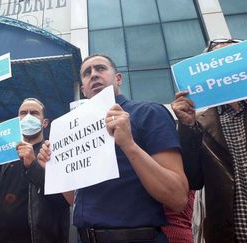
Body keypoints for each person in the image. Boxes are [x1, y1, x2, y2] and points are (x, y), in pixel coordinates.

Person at [38, 54, 189, 243]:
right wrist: (53, 168)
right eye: (87, 73)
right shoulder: (73, 130)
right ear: (83, 89)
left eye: (100, 68)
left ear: (118, 78)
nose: (93, 75)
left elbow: (178, 198)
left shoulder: (149, 113)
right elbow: (76, 202)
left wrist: (129, 145)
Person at [0, 80, 70, 243]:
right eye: (23, 113)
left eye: (34, 113)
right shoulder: (8, 154)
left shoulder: (52, 151)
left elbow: (62, 202)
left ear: (44, 123)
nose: (28, 116)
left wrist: (33, 165)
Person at [171, 38, 245, 243]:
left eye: (230, 58)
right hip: (230, 235)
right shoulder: (199, 124)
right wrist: (186, 127)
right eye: (216, 60)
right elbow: (194, 180)